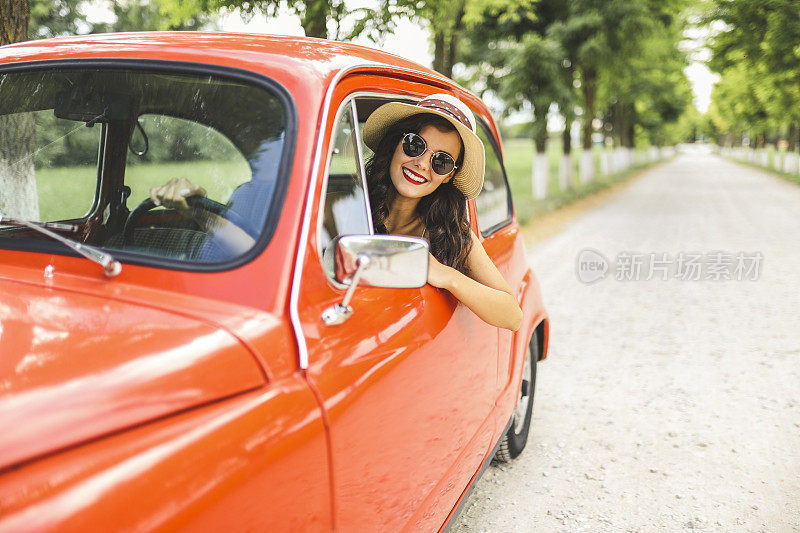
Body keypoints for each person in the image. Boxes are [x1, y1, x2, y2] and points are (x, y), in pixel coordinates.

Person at [362, 93, 522, 331]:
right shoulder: (345, 205)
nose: (423, 164)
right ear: (397, 143)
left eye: (442, 161)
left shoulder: (450, 233)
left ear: (449, 175)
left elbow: (512, 316)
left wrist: (446, 276)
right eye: (415, 146)